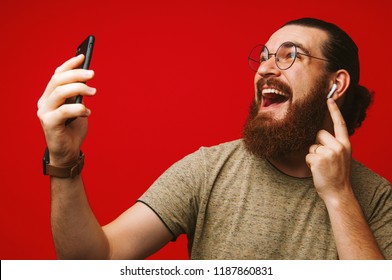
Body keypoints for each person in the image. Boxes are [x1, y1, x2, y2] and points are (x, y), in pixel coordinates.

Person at [37, 17, 392, 260]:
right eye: (265, 57)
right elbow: (94, 261)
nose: (265, 68)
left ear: (335, 84)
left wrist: (339, 195)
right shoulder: (208, 170)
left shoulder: (375, 198)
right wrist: (63, 160)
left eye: (289, 56)